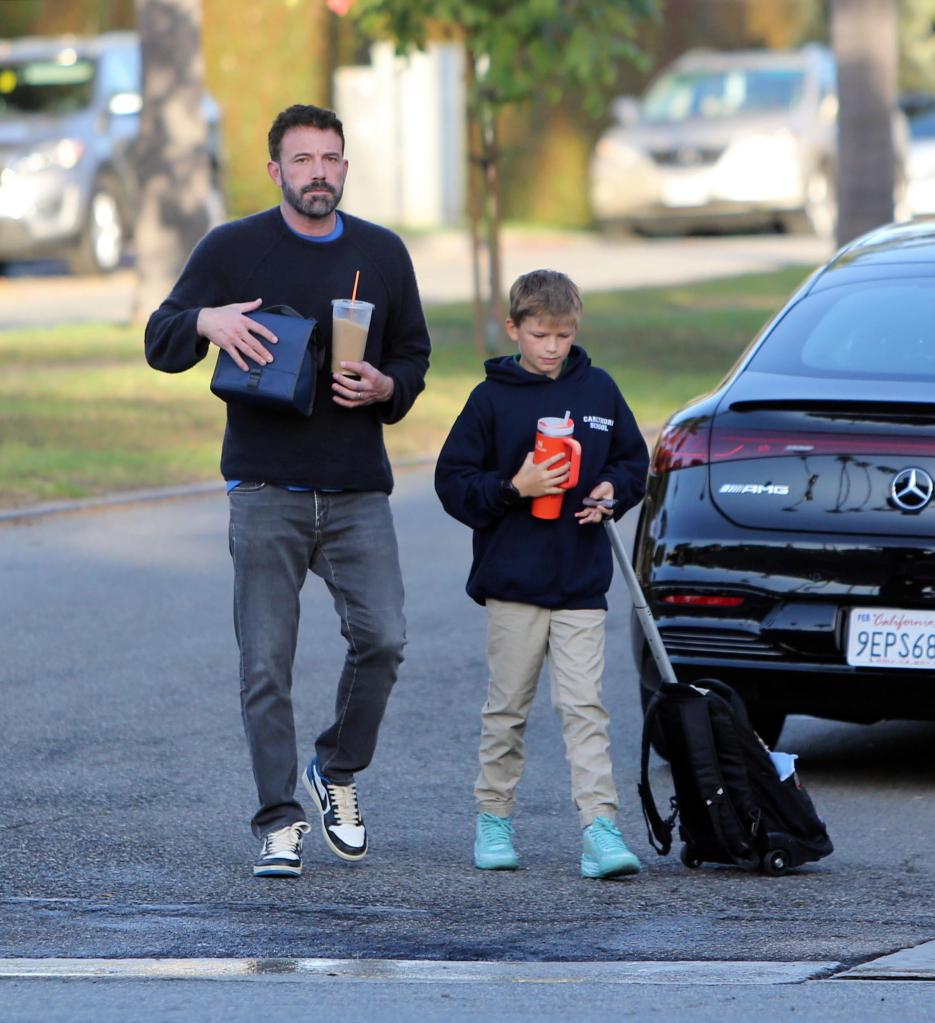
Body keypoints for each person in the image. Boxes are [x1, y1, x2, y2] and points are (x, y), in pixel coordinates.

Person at [145, 104, 431, 878]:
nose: (318, 174)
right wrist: (205, 319)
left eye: (331, 159)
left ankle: (334, 768)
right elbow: (158, 338)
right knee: (265, 664)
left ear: (345, 166)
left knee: (384, 638)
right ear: (275, 170)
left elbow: (413, 356)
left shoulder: (382, 252)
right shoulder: (232, 247)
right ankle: (277, 819)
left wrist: (385, 384)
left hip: (355, 489)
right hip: (265, 486)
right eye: (302, 160)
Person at [434, 269, 648, 879]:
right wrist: (514, 487)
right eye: (539, 335)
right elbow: (453, 482)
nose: (552, 347)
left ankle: (600, 829)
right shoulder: (491, 398)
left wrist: (613, 489)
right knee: (508, 707)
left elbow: (634, 461)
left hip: (581, 580)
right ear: (514, 330)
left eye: (563, 334)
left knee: (585, 708)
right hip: (514, 582)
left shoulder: (599, 391)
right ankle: (494, 817)